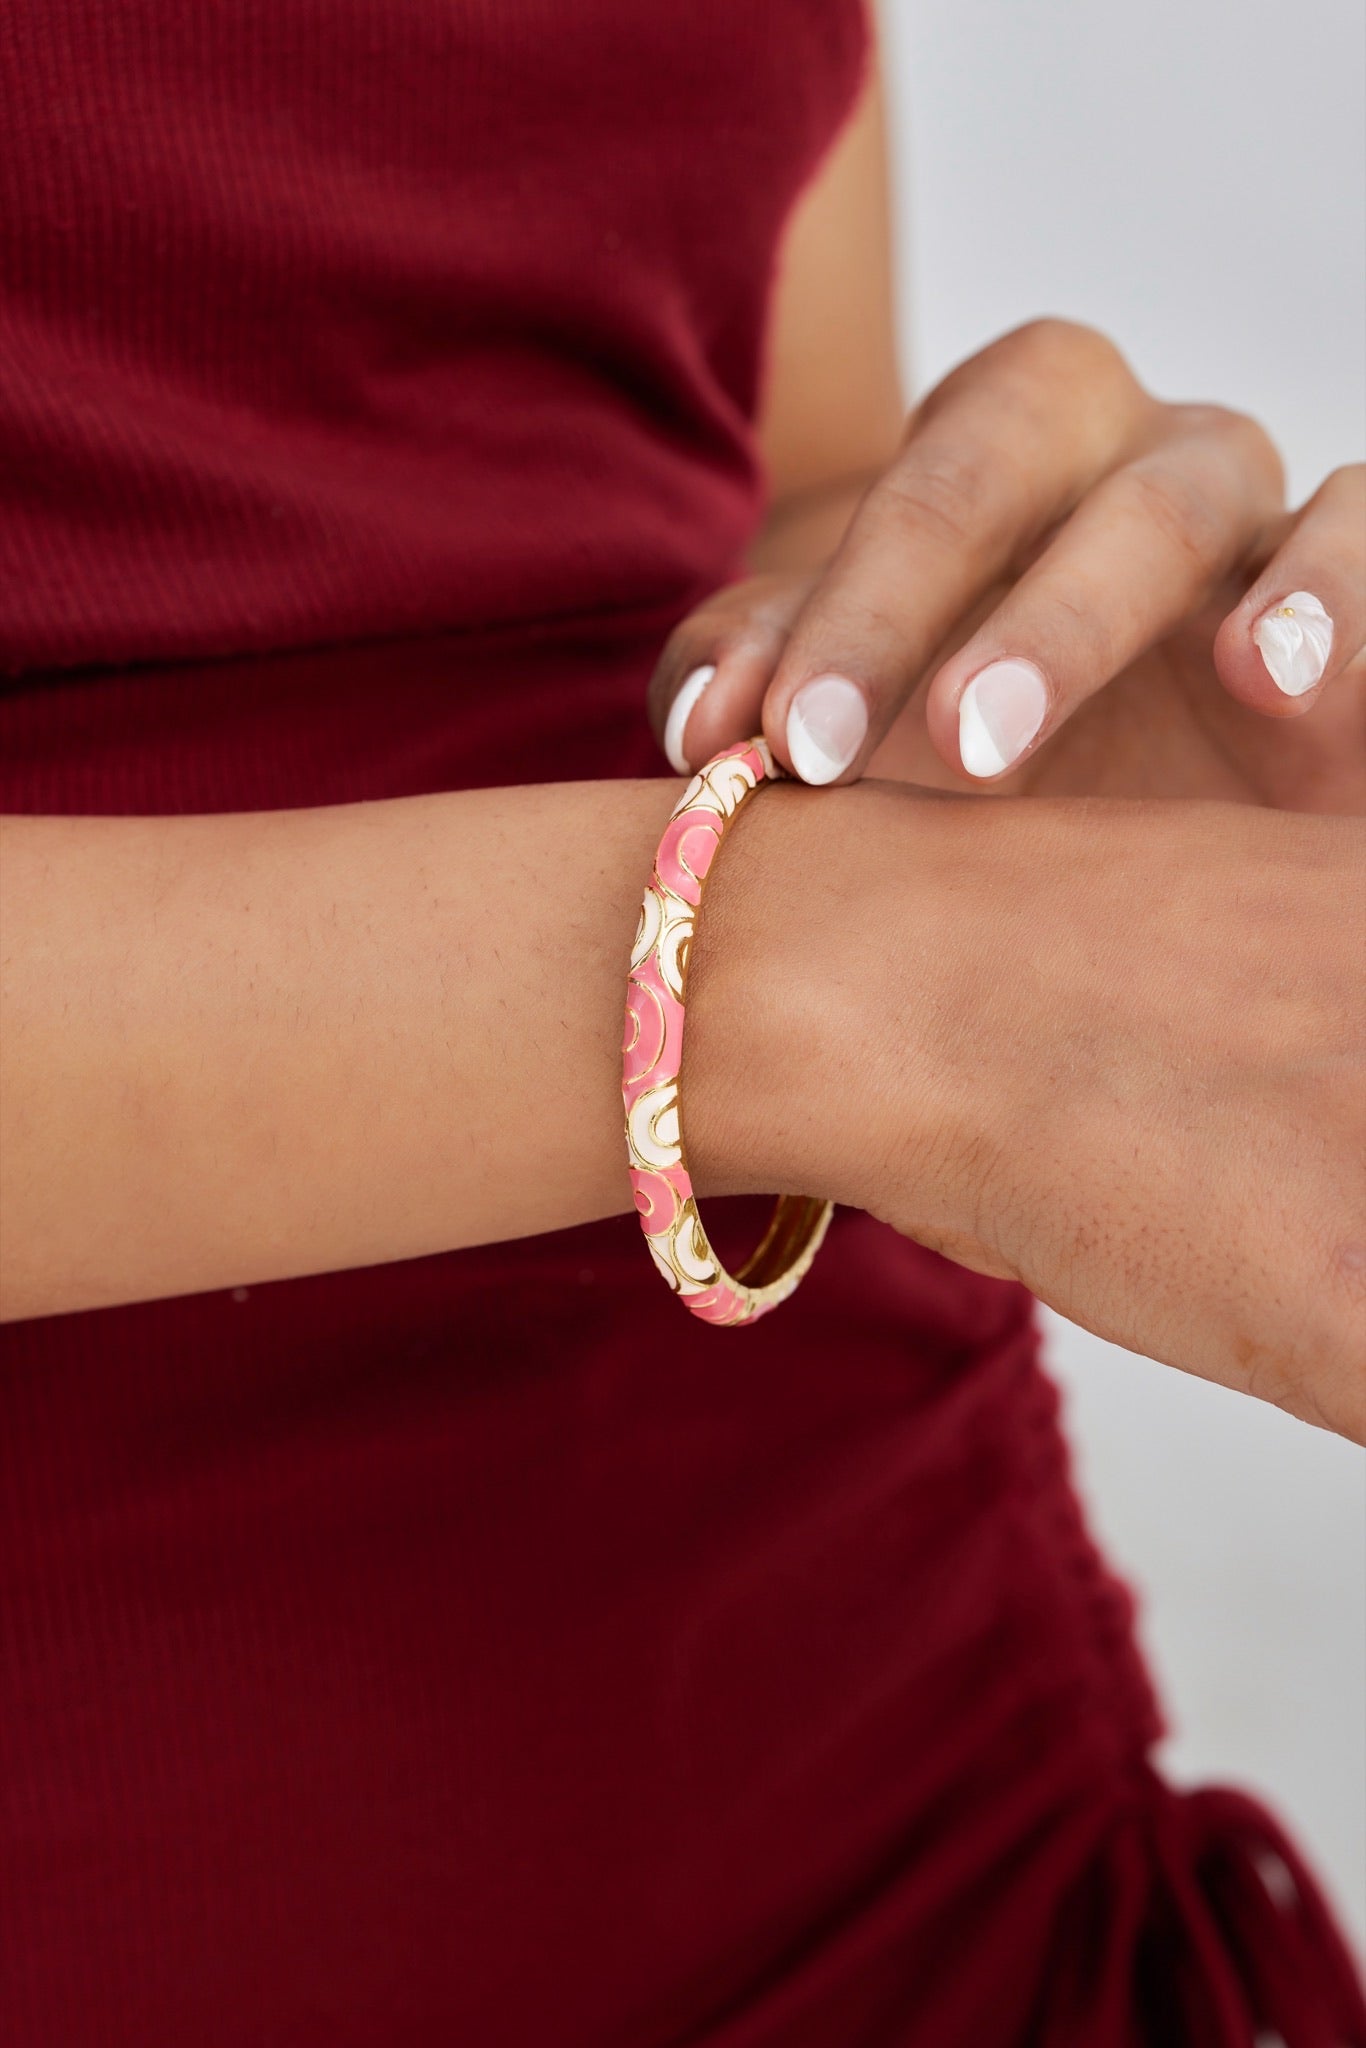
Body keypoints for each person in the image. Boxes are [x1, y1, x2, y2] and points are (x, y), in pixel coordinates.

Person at [1, 2, 1362, 2041]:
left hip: (921, 1852)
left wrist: (964, 649)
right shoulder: (890, 986)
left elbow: (732, 464)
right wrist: (880, 980)